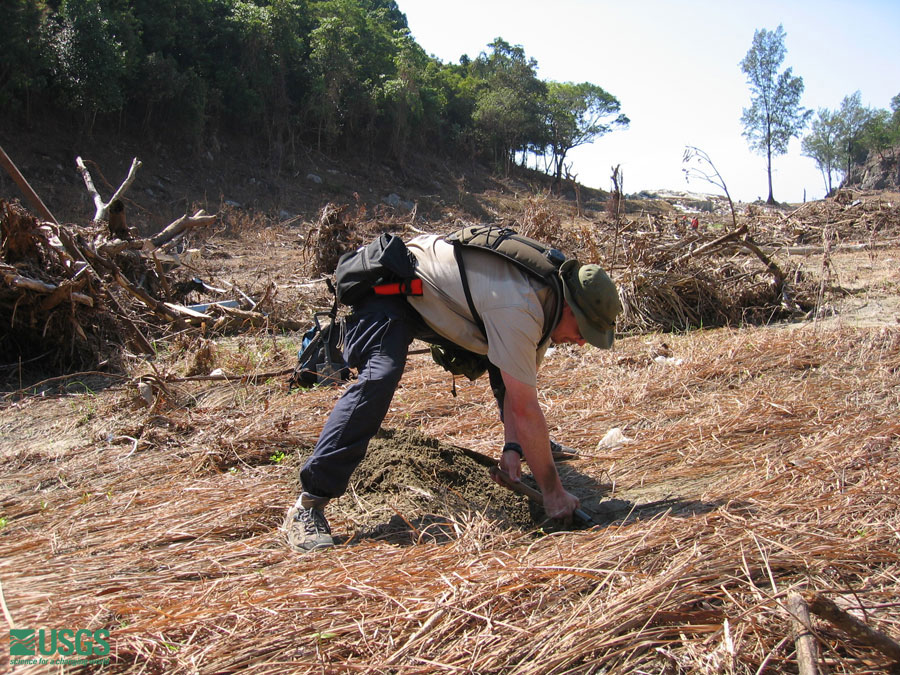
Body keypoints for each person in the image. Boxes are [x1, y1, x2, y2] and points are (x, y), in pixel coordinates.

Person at [284, 229, 622, 552]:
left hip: (440, 301)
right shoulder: (520, 307)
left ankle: (535, 448)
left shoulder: (547, 299)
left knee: (510, 369)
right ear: (570, 307)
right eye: (583, 331)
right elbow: (525, 409)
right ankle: (309, 504)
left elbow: (515, 387)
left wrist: (513, 447)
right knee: (379, 376)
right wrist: (552, 491)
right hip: (393, 288)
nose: (582, 342)